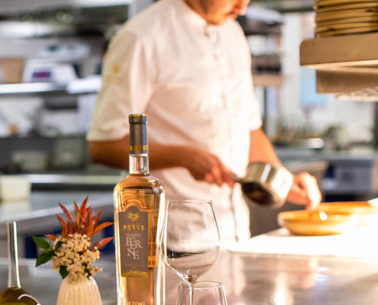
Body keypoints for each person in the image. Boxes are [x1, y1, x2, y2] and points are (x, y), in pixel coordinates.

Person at [87, 0, 321, 244]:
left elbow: (249, 129)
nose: (242, 8)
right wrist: (183, 157)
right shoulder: (141, 37)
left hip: (236, 234)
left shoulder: (233, 33)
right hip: (174, 241)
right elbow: (104, 145)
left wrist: (283, 180)